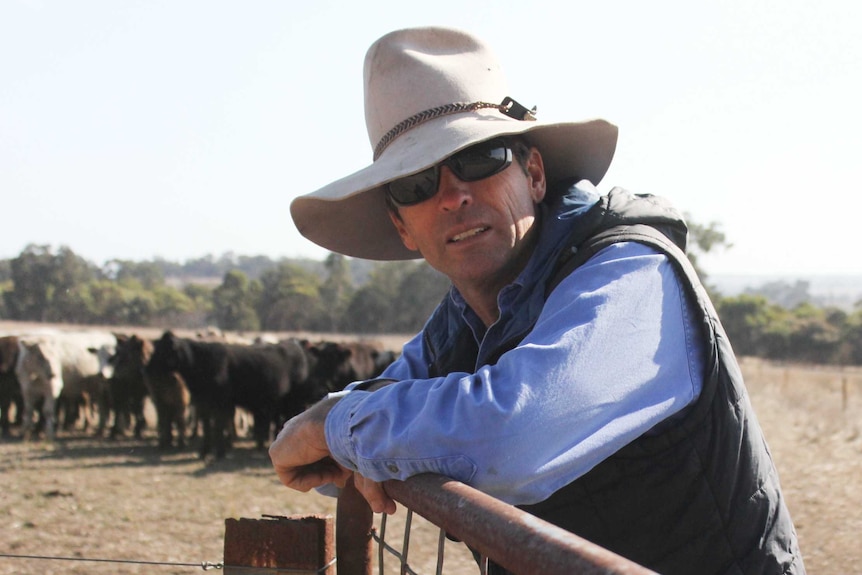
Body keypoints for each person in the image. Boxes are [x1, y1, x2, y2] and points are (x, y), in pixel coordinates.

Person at [269, 26, 805, 574]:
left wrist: (333, 423)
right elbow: (384, 405)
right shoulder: (461, 320)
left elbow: (513, 433)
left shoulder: (631, 274)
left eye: (480, 158)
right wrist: (345, 428)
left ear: (533, 172)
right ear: (402, 227)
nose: (453, 196)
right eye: (415, 184)